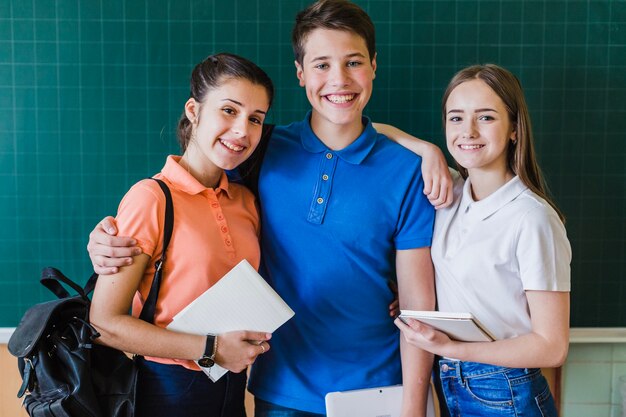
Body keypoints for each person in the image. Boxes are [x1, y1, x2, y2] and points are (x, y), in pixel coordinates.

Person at [87, 1, 452, 416]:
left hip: (379, 389)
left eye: (353, 62)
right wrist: (103, 240)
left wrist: (423, 147)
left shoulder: (408, 171)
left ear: (373, 65)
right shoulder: (262, 153)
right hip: (279, 388)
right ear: (300, 73)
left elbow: (418, 305)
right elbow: (183, 197)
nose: (338, 79)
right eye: (321, 65)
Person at [88, 52, 276, 417]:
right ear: (194, 110)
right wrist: (211, 348)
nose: (242, 130)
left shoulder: (245, 201)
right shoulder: (151, 198)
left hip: (231, 388)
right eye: (228, 110)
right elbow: (104, 323)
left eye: (255, 119)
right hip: (165, 391)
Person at [393, 64, 571, 417]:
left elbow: (552, 347)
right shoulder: (451, 193)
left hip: (505, 390)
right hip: (451, 381)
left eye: (486, 118)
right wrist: (428, 150)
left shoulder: (532, 218)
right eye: (455, 118)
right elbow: (377, 131)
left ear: (514, 130)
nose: (467, 131)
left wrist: (453, 349)